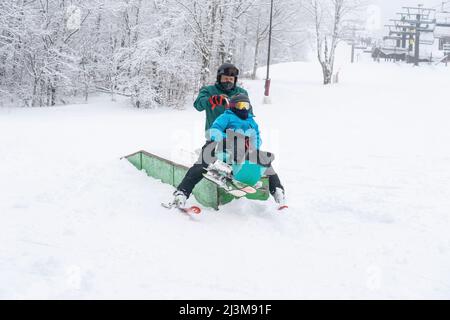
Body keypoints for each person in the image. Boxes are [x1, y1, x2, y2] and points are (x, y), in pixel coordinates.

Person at [172, 93, 286, 208]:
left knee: (265, 160)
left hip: (242, 150)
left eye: (245, 106)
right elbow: (214, 130)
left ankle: (277, 190)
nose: (243, 109)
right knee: (203, 163)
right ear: (232, 106)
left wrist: (251, 145)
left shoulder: (252, 122)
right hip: (221, 146)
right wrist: (229, 137)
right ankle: (182, 192)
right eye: (240, 105)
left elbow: (257, 137)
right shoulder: (226, 116)